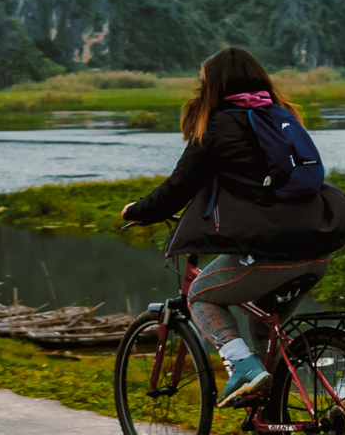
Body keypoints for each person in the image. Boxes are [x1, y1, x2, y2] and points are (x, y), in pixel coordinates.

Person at [121, 47, 333, 408]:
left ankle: (242, 366)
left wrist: (137, 211)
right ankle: (272, 422)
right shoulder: (282, 115)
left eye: (203, 83)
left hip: (271, 252)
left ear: (215, 86)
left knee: (200, 295)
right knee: (266, 324)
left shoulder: (218, 125)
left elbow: (179, 187)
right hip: (317, 248)